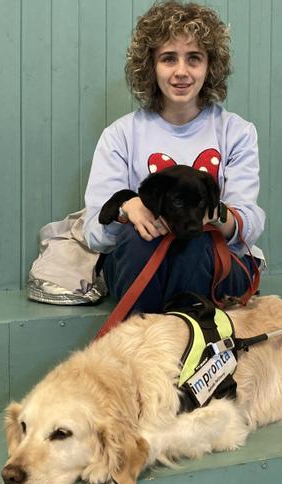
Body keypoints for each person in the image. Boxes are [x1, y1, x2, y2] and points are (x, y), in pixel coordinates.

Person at [83, 1, 265, 314]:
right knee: (137, 240)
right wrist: (129, 209)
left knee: (192, 243)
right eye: (169, 59)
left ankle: (188, 345)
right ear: (151, 66)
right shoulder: (120, 135)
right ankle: (150, 350)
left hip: (215, 263)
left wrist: (209, 215)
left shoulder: (237, 132)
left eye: (193, 58)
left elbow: (250, 223)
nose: (181, 71)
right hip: (143, 263)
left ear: (210, 66)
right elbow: (95, 234)